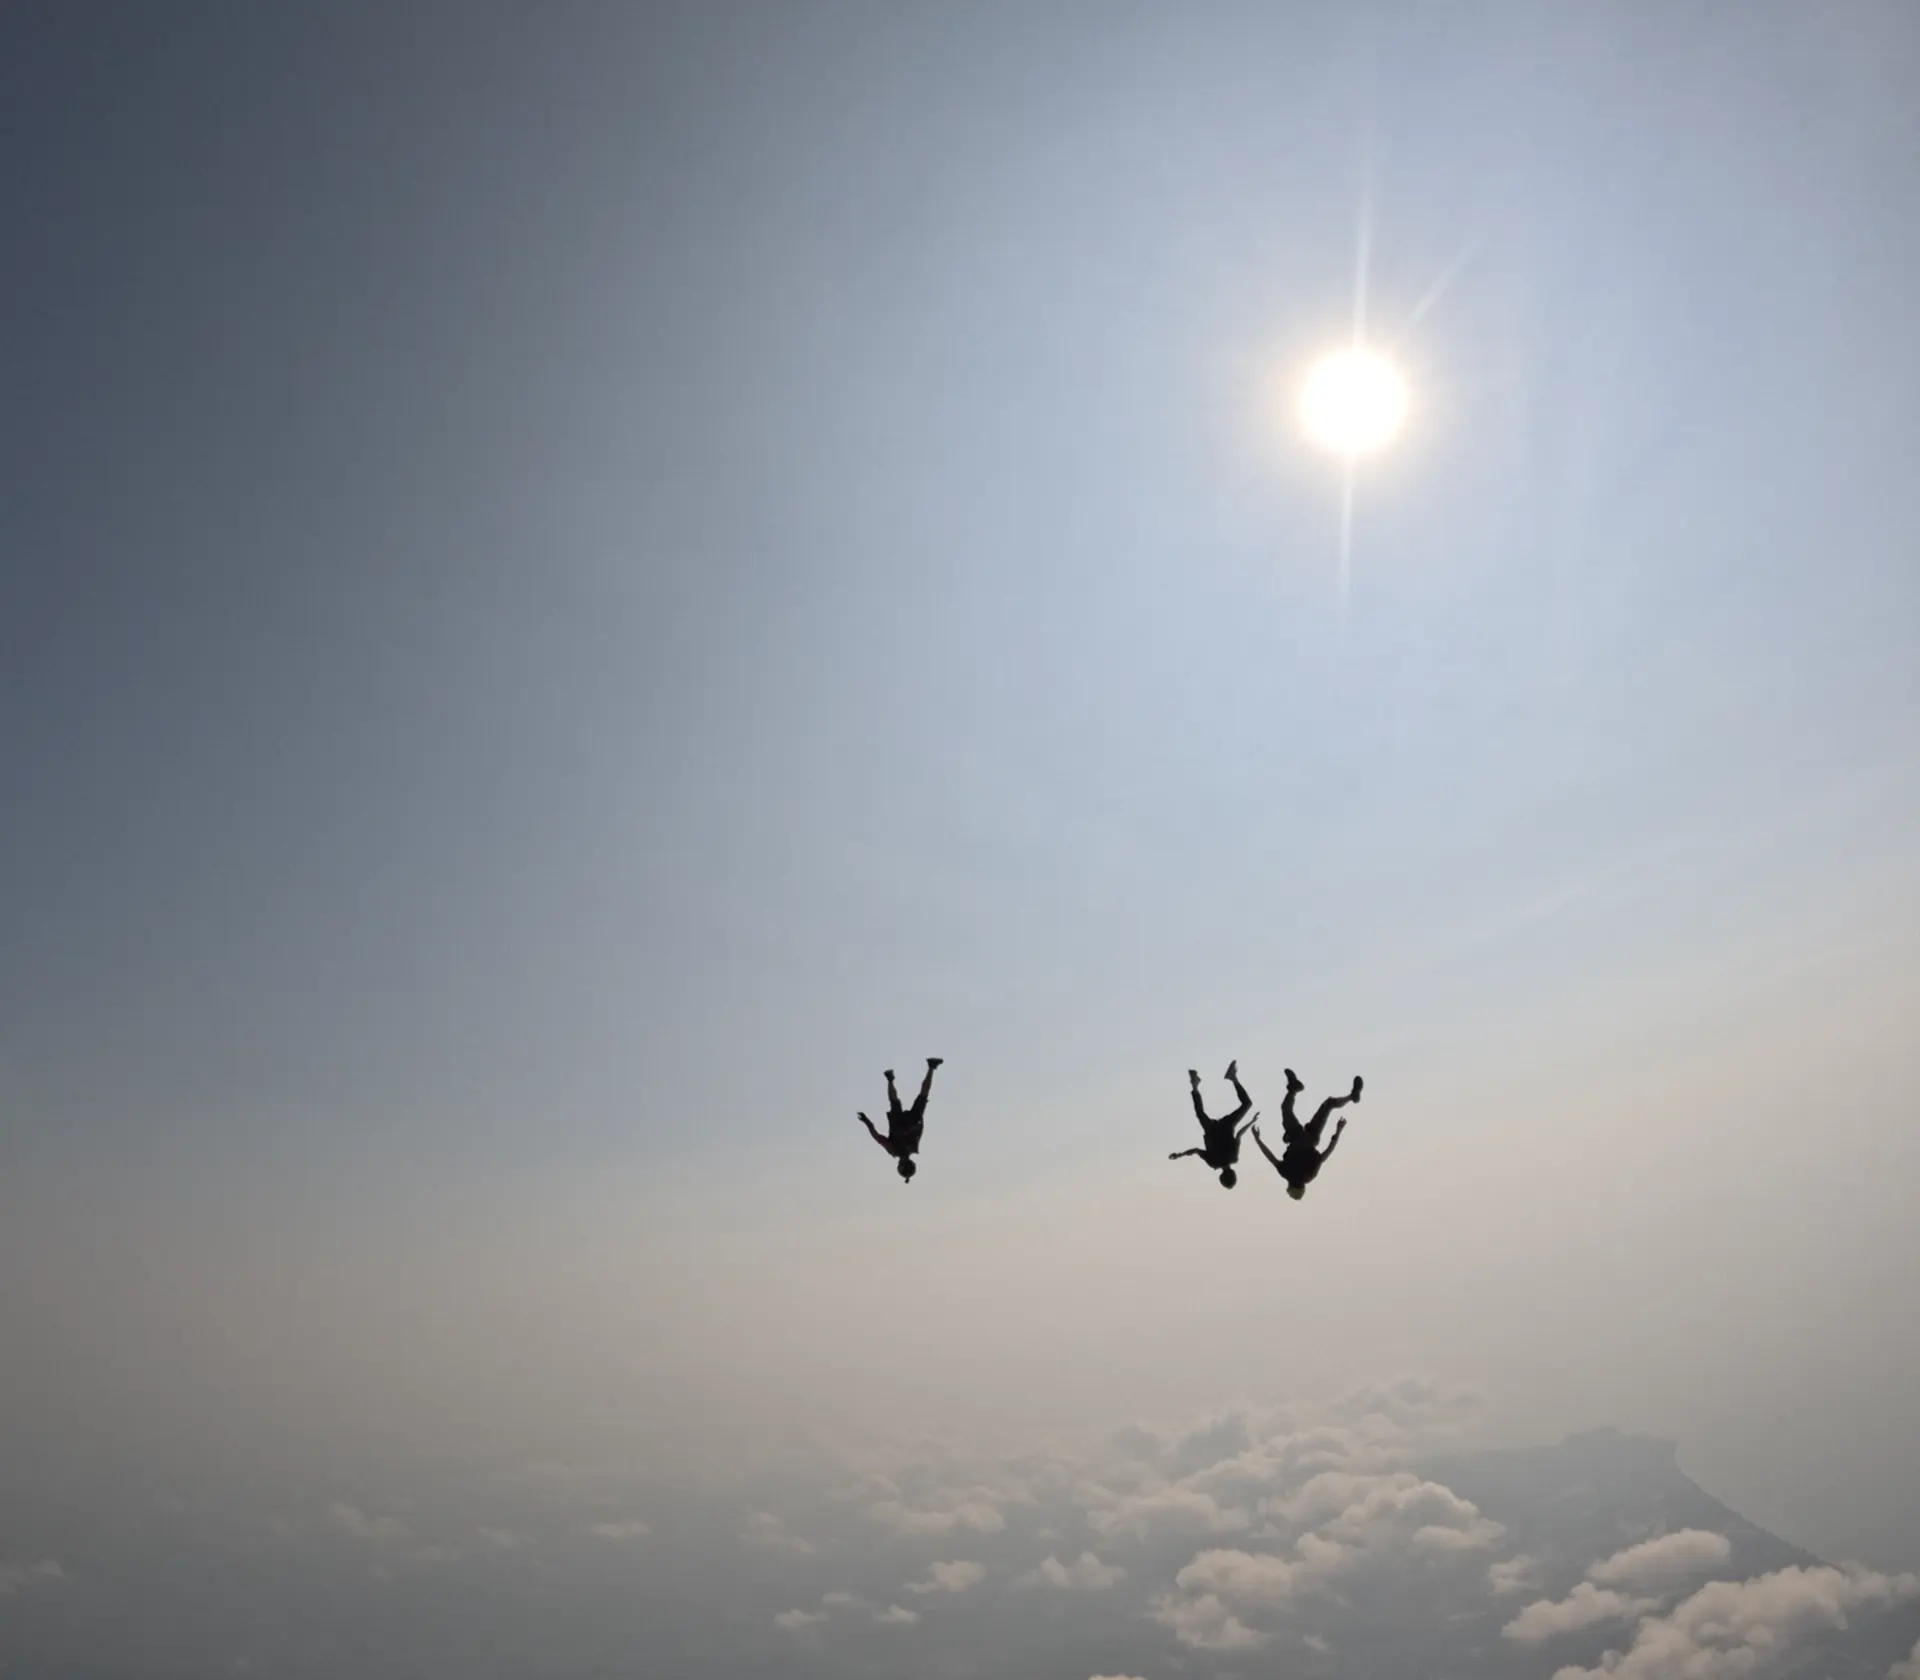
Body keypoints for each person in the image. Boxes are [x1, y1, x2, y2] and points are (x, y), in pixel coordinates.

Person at [1252, 1068, 1362, 1200]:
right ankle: (1294, 1088)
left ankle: (1351, 1097)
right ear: (1291, 1187)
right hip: (1296, 1136)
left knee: (1328, 1105)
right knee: (1286, 1109)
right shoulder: (1286, 1173)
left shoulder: (1310, 1175)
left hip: (1311, 1138)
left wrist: (1338, 1130)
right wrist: (1257, 1139)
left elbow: (1328, 1151)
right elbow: (1269, 1156)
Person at [1169, 1060, 1259, 1188]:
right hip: (1211, 1130)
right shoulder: (1213, 1163)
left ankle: (1233, 1078)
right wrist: (1180, 1155)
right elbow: (1196, 1150)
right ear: (1221, 1177)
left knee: (1247, 1104)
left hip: (1226, 1125)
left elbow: (1239, 1135)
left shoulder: (1233, 1158)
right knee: (1199, 1112)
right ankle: (1194, 1085)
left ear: (1233, 1173)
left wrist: (1251, 1122)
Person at [858, 1058, 943, 1182]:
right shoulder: (895, 1150)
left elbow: (877, 1136)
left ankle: (931, 1068)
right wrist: (867, 1122)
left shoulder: (904, 1149)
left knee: (921, 1095)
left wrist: (867, 1122)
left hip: (911, 1121)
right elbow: (877, 1137)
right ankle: (891, 1079)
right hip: (907, 1121)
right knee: (898, 1100)